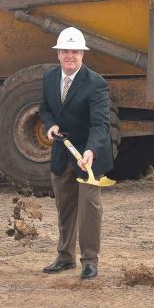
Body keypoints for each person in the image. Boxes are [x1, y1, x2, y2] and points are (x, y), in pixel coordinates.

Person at [39, 27, 113, 280]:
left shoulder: (95, 83)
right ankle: (64, 257)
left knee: (90, 208)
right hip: (62, 155)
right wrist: (50, 126)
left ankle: (90, 260)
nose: (70, 55)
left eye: (75, 51)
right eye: (65, 51)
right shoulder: (49, 78)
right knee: (65, 206)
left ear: (82, 54)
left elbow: (101, 124)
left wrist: (90, 150)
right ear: (58, 54)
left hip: (88, 155)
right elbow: (45, 108)